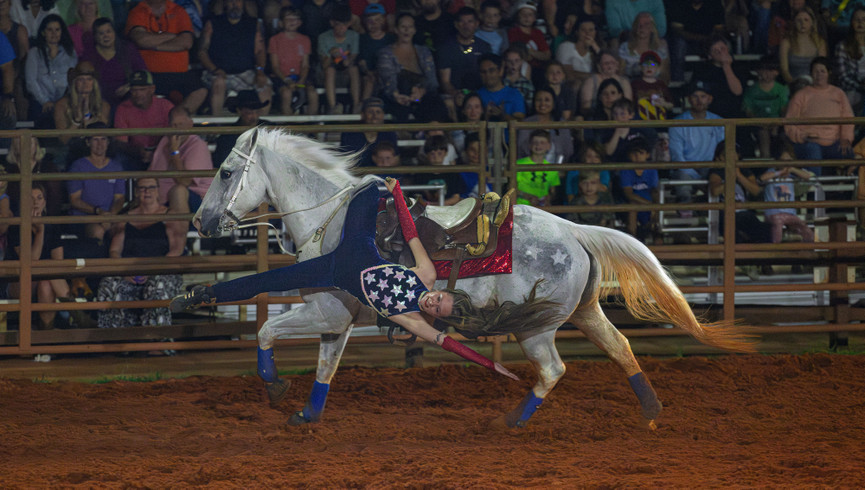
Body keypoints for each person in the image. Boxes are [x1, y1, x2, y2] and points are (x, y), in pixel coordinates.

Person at [170, 177, 524, 402]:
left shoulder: (412, 320)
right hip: (359, 244)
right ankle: (365, 184)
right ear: (444, 292)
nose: (434, 301)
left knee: (266, 282)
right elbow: (412, 234)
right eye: (441, 299)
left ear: (433, 315)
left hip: (337, 272)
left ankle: (202, 295)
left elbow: (449, 344)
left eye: (436, 308)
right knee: (369, 186)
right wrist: (397, 193)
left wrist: (492, 366)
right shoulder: (427, 274)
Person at [97, 177, 185, 329]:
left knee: (157, 286)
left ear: (158, 191)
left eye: (151, 187)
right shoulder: (125, 218)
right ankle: (117, 340)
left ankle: (156, 342)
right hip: (130, 271)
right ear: (137, 192)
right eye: (143, 188)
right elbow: (115, 250)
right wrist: (124, 270)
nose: (147, 192)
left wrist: (153, 271)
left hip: (163, 271)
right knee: (109, 283)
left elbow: (176, 250)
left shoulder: (170, 215)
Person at [7, 184, 74, 330]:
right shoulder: (15, 227)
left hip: (45, 280)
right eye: (30, 198)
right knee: (42, 275)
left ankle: (46, 333)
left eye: (39, 198)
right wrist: (40, 232)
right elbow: (31, 262)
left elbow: (59, 263)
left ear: (44, 202)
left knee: (45, 283)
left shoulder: (53, 226)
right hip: (18, 281)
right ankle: (75, 310)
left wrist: (43, 227)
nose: (36, 202)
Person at [125, 0, 207, 113]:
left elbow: (187, 42)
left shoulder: (179, 11)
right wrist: (173, 36)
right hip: (149, 75)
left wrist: (155, 47)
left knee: (200, 90)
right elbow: (141, 40)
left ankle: (177, 118)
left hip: (179, 74)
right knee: (140, 91)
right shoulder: (137, 11)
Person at [198, 0, 271, 116]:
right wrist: (215, 69)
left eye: (238, 2)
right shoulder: (213, 23)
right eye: (231, 2)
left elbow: (260, 51)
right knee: (219, 82)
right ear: (225, 4)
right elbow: (202, 51)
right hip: (217, 72)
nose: (235, 5)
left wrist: (260, 71)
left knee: (265, 85)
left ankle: (261, 124)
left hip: (245, 72)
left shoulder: (253, 24)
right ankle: (216, 125)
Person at [784, 57, 854, 175]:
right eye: (816, 71)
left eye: (822, 71)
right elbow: (789, 122)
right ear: (811, 74)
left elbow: (848, 118)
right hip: (808, 142)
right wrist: (802, 136)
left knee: (854, 156)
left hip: (834, 142)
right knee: (813, 151)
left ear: (828, 73)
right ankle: (813, 188)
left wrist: (846, 138)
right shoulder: (801, 94)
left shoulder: (838, 93)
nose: (819, 74)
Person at [375, 12, 447, 123]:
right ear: (396, 29)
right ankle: (402, 132)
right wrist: (396, 95)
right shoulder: (386, 53)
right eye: (403, 27)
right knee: (401, 100)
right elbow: (388, 79)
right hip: (396, 96)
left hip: (419, 97)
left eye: (410, 27)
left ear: (414, 30)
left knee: (435, 102)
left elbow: (432, 80)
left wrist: (421, 92)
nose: (407, 30)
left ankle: (434, 134)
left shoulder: (424, 52)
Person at [669, 80, 724, 208]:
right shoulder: (677, 123)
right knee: (683, 178)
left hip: (711, 167)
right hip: (686, 169)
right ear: (689, 99)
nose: (699, 100)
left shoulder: (719, 122)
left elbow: (723, 150)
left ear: (709, 99)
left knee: (722, 175)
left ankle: (718, 211)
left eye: (703, 96)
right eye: (695, 96)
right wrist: (695, 177)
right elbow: (677, 157)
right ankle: (685, 211)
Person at [148, 106, 213, 215]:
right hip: (163, 200)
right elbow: (152, 172)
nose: (177, 129)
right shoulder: (165, 140)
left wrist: (174, 152)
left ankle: (182, 230)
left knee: (179, 191)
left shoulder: (197, 145)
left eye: (181, 125)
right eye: (174, 125)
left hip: (196, 200)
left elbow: (184, 181)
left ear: (190, 124)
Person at [66, 124, 125, 242]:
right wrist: (99, 212)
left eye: (103, 139)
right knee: (97, 231)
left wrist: (109, 216)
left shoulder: (116, 167)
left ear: (108, 142)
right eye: (95, 139)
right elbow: (75, 200)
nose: (100, 144)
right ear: (88, 142)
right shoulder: (78, 166)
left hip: (108, 217)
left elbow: (119, 198)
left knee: (121, 229)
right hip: (83, 219)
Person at [80, 17, 147, 107]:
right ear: (95, 36)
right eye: (101, 33)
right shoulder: (89, 54)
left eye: (108, 31)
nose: (106, 36)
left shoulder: (127, 49)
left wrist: (129, 86)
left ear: (114, 33)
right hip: (98, 100)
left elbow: (142, 72)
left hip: (127, 97)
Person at [113, 69, 173, 169]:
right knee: (118, 161)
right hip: (135, 154)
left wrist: (157, 151)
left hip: (163, 151)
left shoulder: (165, 106)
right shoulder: (123, 108)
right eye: (134, 90)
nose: (138, 94)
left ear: (152, 89)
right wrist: (138, 152)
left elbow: (174, 135)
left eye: (142, 89)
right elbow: (121, 142)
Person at [24, 13, 76, 127]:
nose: (54, 33)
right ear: (43, 32)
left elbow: (74, 79)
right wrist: (45, 101)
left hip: (65, 102)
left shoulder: (70, 53)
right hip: (40, 103)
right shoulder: (34, 53)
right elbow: (31, 82)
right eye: (50, 30)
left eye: (57, 30)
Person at [436, 6, 491, 114]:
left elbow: (488, 77)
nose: (466, 26)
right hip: (454, 95)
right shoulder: (446, 47)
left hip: (480, 94)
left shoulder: (484, 47)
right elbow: (445, 82)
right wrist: (457, 95)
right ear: (456, 24)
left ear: (476, 24)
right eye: (462, 22)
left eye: (470, 22)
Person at [268, 7, 318, 116]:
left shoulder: (305, 40)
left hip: (300, 78)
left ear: (300, 22)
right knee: (286, 93)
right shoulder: (274, 40)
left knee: (313, 93)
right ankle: (289, 124)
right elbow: (275, 66)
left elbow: (305, 65)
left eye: (295, 19)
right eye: (288, 19)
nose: (292, 22)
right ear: (281, 22)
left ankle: (311, 127)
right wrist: (286, 80)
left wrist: (301, 80)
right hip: (281, 77)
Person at [759, 149, 815, 245]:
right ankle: (776, 250)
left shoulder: (792, 175)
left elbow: (808, 176)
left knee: (804, 228)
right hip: (773, 213)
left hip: (790, 214)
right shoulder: (771, 172)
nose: (786, 164)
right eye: (783, 161)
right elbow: (762, 178)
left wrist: (792, 169)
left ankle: (808, 250)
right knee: (778, 222)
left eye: (789, 161)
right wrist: (779, 173)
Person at [52, 60, 110, 145]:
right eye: (81, 79)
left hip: (95, 148)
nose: (85, 83)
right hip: (71, 149)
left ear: (94, 83)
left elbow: (102, 136)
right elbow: (63, 140)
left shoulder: (104, 106)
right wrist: (77, 121)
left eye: (89, 79)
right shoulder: (61, 105)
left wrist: (86, 117)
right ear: (75, 83)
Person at [4, 136, 63, 217]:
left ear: (36, 146)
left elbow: (55, 199)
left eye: (29, 143)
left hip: (45, 218)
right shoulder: (8, 171)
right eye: (20, 143)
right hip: (16, 218)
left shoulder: (49, 168)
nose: (25, 146)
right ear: (14, 147)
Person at [668, 0, 725, 82]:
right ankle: (677, 82)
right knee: (679, 45)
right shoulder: (678, 3)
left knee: (723, 46)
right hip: (687, 42)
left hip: (709, 42)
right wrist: (701, 38)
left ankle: (719, 81)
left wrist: (710, 40)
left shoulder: (714, 3)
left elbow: (719, 29)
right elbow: (677, 30)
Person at [743, 57, 789, 158]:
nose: (767, 74)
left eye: (771, 70)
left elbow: (784, 109)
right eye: (764, 70)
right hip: (758, 124)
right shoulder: (751, 90)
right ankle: (766, 162)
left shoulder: (781, 89)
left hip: (778, 123)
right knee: (763, 133)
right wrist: (759, 122)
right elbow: (748, 111)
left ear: (776, 72)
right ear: (758, 71)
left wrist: (777, 124)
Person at [317, 4, 360, 113]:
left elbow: (353, 58)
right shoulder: (324, 37)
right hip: (326, 74)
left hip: (345, 74)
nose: (341, 28)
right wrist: (331, 55)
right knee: (330, 70)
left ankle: (356, 105)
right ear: (332, 23)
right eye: (338, 24)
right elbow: (324, 65)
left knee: (353, 69)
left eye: (344, 25)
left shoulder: (354, 36)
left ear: (349, 23)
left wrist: (346, 59)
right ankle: (333, 106)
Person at [213, 89, 270, 165]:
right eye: (249, 113)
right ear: (239, 111)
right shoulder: (227, 136)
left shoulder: (269, 128)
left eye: (257, 112)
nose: (254, 116)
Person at [516, 86, 573, 162]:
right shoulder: (526, 123)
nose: (543, 103)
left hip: (558, 169)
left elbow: (568, 151)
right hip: (530, 167)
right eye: (539, 100)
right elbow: (521, 149)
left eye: (547, 100)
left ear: (554, 103)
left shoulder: (562, 124)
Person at [618, 136, 659, 240]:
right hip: (632, 205)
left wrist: (655, 205)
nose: (637, 156)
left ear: (647, 155)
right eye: (634, 153)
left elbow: (654, 190)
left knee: (658, 210)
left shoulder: (652, 170)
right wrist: (650, 205)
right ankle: (633, 237)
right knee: (633, 207)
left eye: (641, 153)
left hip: (648, 206)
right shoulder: (626, 170)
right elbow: (629, 194)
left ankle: (656, 237)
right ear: (629, 155)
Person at [339, 96, 397, 166]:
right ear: (362, 115)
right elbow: (345, 161)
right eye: (370, 112)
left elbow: (396, 160)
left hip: (383, 174)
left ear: (382, 115)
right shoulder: (350, 133)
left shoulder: (389, 133)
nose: (374, 115)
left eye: (378, 112)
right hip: (357, 174)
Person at [414, 134, 466, 205]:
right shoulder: (420, 175)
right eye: (432, 154)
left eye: (439, 153)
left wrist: (436, 205)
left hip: (448, 210)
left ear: (446, 153)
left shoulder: (453, 174)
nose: (436, 157)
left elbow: (456, 198)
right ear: (426, 154)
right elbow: (417, 197)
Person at [779, 6, 826, 84]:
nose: (802, 23)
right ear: (794, 22)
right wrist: (794, 83)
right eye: (799, 20)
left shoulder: (820, 42)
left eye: (806, 20)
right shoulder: (786, 42)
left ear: (812, 23)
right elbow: (784, 70)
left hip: (814, 84)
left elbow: (822, 68)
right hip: (792, 84)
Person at [578, 50, 632, 118]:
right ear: (599, 66)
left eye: (612, 63)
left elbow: (628, 105)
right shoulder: (590, 81)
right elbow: (585, 106)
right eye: (606, 63)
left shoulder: (624, 82)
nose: (610, 66)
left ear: (617, 65)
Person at [602, 97, 657, 163]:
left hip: (638, 164)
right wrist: (617, 132)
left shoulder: (639, 128)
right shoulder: (609, 131)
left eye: (622, 114)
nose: (618, 117)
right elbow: (608, 152)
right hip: (617, 167)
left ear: (631, 115)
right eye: (615, 114)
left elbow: (652, 140)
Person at [515, 129, 560, 206]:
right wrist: (529, 197)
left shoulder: (552, 168)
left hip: (542, 208)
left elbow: (553, 191)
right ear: (530, 145)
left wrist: (548, 198)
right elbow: (512, 188)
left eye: (542, 143)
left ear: (549, 146)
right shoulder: (519, 164)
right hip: (522, 207)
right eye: (535, 142)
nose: (538, 145)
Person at [618, 12, 669, 81]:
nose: (642, 27)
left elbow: (665, 74)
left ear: (652, 28)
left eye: (646, 24)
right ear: (635, 27)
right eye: (639, 25)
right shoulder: (624, 47)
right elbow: (621, 73)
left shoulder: (661, 48)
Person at [357, 3, 392, 102]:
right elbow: (361, 61)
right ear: (364, 22)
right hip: (367, 75)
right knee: (369, 80)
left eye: (378, 20)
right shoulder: (362, 39)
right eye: (370, 21)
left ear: (384, 20)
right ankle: (364, 108)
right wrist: (368, 72)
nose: (374, 24)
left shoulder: (391, 39)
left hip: (387, 74)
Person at [477, 52, 525, 122]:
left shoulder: (515, 94)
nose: (487, 75)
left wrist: (503, 116)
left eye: (491, 70)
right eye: (483, 72)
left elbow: (520, 123)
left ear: (500, 71)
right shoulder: (477, 96)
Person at [507, 0, 550, 78]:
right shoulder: (513, 32)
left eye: (530, 14)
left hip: (539, 69)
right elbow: (519, 54)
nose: (526, 17)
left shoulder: (538, 33)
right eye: (523, 14)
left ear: (534, 18)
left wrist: (530, 52)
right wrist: (537, 54)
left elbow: (546, 55)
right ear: (517, 16)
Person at [834, 7, 865, 110]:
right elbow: (842, 77)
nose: (860, 22)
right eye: (857, 19)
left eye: (864, 19)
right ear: (852, 22)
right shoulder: (842, 46)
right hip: (853, 88)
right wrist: (861, 87)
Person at [555, 17, 600, 86]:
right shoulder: (566, 46)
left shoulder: (596, 50)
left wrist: (596, 48)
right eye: (583, 30)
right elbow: (568, 74)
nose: (587, 33)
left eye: (591, 30)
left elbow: (603, 71)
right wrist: (593, 77)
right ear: (577, 32)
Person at [631, 51, 673, 121]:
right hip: (640, 119)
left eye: (653, 64)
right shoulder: (635, 84)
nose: (649, 67)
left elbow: (671, 105)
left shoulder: (661, 84)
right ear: (641, 67)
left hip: (659, 119)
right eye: (646, 64)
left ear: (658, 68)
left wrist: (663, 103)